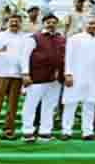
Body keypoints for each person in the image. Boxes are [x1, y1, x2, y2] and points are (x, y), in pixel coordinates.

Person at [21, 13, 66, 142]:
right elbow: (24, 56)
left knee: (50, 105)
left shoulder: (61, 39)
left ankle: (45, 132)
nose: (51, 24)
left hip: (55, 78)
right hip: (37, 77)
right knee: (31, 104)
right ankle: (27, 131)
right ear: (44, 23)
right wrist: (25, 74)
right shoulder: (34, 38)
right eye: (48, 22)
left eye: (53, 22)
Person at [0, 14, 27, 143]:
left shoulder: (25, 37)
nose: (14, 23)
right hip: (0, 74)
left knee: (12, 105)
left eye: (17, 21)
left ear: (21, 23)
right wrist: (0, 49)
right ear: (6, 23)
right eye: (11, 21)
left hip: (17, 75)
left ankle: (8, 131)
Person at [62, 15, 95, 141]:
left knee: (90, 104)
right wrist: (68, 74)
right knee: (70, 103)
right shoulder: (74, 39)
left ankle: (87, 132)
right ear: (85, 24)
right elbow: (68, 57)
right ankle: (66, 131)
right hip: (76, 75)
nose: (93, 26)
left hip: (94, 77)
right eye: (91, 23)